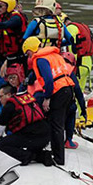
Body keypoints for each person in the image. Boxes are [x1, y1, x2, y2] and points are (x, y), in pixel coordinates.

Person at [23, 37, 75, 165]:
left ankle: (58, 158)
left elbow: (49, 80)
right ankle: (56, 153)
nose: (29, 57)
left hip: (58, 91)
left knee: (56, 125)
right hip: (68, 89)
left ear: (32, 49)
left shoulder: (41, 59)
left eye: (28, 53)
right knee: (57, 123)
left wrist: (47, 98)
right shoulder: (54, 55)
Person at [0, 85, 52, 166]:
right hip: (45, 135)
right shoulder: (25, 99)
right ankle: (43, 155)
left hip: (34, 137)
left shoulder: (8, 107)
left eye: (0, 97)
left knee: (3, 144)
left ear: (9, 95)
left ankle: (28, 157)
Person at [61, 13, 93, 92]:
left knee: (73, 91)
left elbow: (69, 49)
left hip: (78, 64)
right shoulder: (80, 27)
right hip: (87, 62)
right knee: (80, 90)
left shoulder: (70, 29)